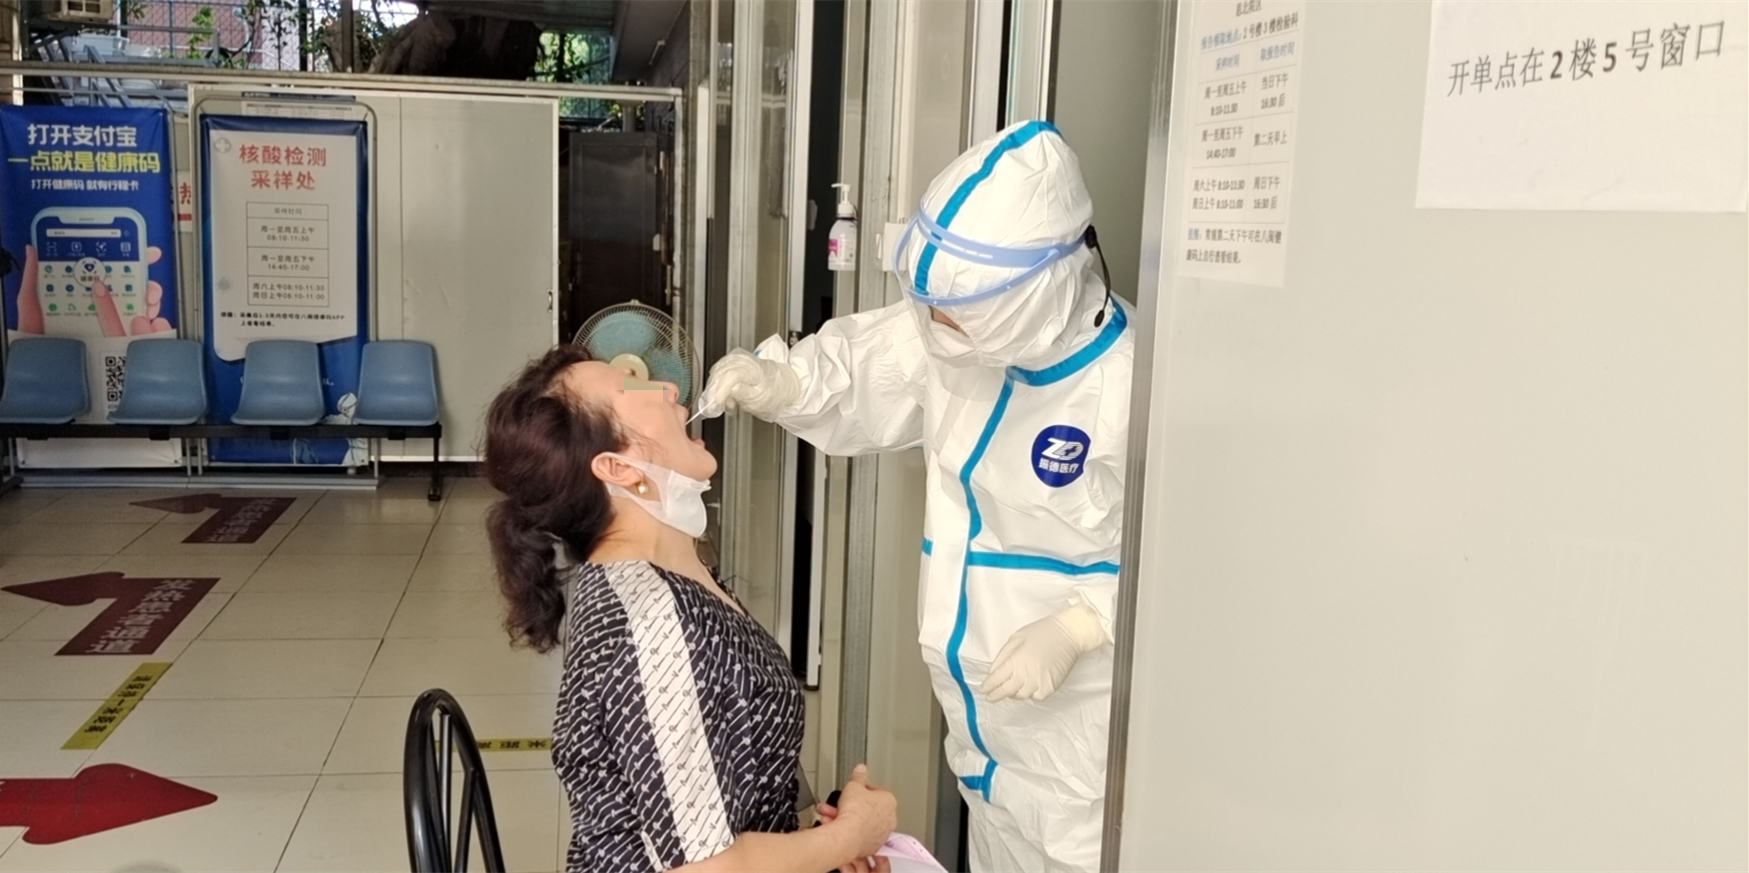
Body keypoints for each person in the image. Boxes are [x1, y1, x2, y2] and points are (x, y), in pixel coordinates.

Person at [698, 120, 1132, 872]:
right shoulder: (959, 335)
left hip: (1079, 750)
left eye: (957, 315)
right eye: (931, 309)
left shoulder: (1131, 389)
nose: (937, 329)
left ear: (1040, 289)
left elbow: (1190, 562)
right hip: (984, 734)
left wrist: (1083, 624)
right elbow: (869, 367)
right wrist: (784, 381)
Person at [482, 343, 899, 873]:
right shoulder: (653, 622)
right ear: (617, 467)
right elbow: (702, 869)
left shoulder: (666, 572)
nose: (670, 388)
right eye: (635, 388)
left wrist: (815, 848)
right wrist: (850, 837)